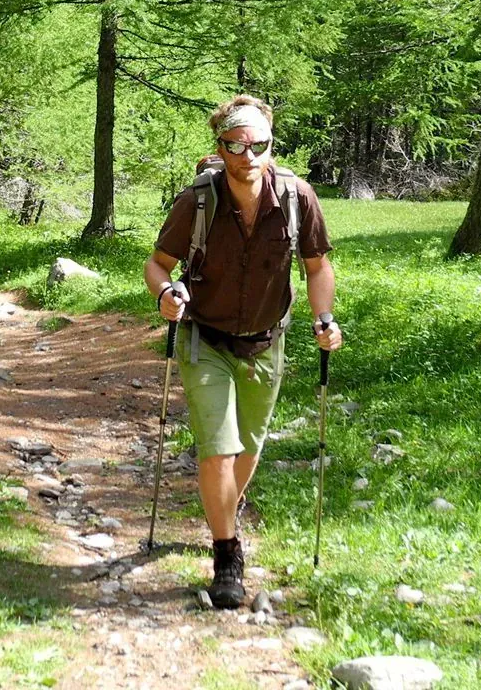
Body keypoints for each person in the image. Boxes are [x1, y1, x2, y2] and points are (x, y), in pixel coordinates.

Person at [144, 94, 343, 609]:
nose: (248, 154)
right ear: (221, 147)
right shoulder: (198, 201)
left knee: (248, 449)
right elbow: (158, 265)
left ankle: (225, 509)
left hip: (266, 342)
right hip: (205, 337)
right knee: (220, 448)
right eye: (235, 144)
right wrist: (167, 294)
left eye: (258, 144)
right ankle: (227, 555)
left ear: (270, 144)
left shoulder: (298, 198)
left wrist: (325, 319)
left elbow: (317, 267)